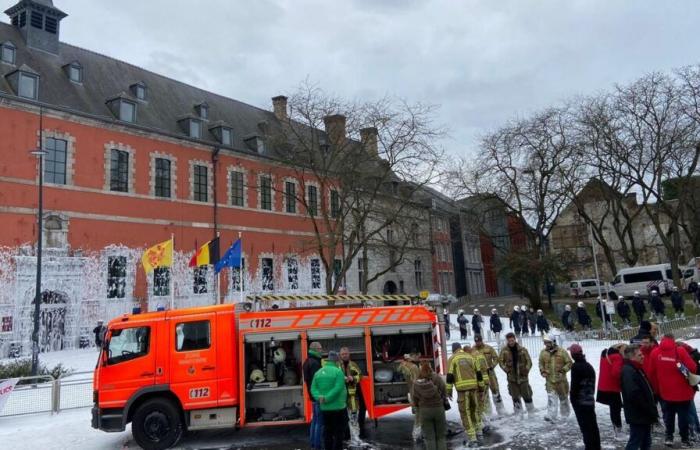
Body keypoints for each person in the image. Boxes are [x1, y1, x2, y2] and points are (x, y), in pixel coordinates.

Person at [647, 333, 697, 447]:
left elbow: (651, 373)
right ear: (673, 340)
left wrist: (657, 389)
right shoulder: (680, 351)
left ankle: (669, 437)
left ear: (662, 340)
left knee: (668, 415)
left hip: (665, 392)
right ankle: (685, 439)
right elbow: (693, 367)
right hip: (683, 392)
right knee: (683, 416)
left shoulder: (655, 352)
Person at [621, 344, 658, 450]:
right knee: (635, 441)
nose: (643, 356)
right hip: (638, 414)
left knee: (646, 441)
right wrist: (648, 408)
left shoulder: (636, 368)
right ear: (632, 357)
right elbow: (634, 394)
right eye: (639, 355)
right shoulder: (629, 371)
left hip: (643, 414)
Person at [311, 350, 348, 450]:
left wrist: (319, 398)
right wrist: (327, 398)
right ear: (336, 361)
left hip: (325, 408)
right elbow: (338, 388)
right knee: (338, 433)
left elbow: (313, 388)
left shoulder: (318, 372)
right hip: (338, 407)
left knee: (327, 432)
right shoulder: (338, 372)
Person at [446, 342, 481, 447]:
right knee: (475, 411)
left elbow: (450, 376)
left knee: (465, 414)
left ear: (453, 349)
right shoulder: (470, 357)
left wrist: (449, 391)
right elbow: (479, 374)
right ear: (460, 348)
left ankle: (472, 439)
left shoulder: (452, 358)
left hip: (463, 392)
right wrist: (482, 389)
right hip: (474, 390)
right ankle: (479, 432)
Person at [568, 343, 601, 450]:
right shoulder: (589, 366)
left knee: (585, 428)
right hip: (590, 400)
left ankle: (590, 447)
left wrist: (572, 399)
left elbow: (575, 386)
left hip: (580, 402)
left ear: (573, 354)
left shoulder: (575, 367)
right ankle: (596, 446)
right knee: (593, 426)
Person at [412, 361, 448, 450]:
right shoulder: (437, 378)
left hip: (424, 411)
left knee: (429, 438)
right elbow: (444, 390)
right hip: (438, 409)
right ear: (430, 368)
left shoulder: (416, 383)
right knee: (441, 437)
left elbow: (414, 398)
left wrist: (417, 405)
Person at [498, 332, 535, 416]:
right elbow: (500, 362)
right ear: (507, 341)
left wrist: (527, 369)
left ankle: (531, 412)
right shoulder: (504, 351)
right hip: (512, 378)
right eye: (509, 341)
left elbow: (529, 361)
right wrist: (506, 370)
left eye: (512, 340)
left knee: (527, 395)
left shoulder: (522, 349)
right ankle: (518, 413)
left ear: (515, 339)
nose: (511, 342)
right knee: (515, 397)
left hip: (523, 377)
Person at [538, 335, 572, 422]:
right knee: (551, 398)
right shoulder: (543, 352)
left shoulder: (562, 352)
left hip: (561, 381)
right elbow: (540, 363)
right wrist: (542, 371)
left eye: (548, 342)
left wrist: (563, 370)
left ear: (553, 342)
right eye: (545, 342)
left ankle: (565, 415)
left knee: (563, 398)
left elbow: (569, 362)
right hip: (549, 380)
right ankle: (551, 415)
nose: (546, 344)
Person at [596, 344, 625, 440]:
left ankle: (616, 428)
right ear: (619, 349)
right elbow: (616, 372)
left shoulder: (605, 354)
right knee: (616, 409)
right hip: (613, 386)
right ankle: (618, 431)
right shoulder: (617, 357)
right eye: (624, 350)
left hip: (603, 385)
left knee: (613, 409)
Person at [474, 334, 504, 415]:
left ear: (481, 340)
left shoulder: (489, 348)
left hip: (490, 373)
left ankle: (500, 410)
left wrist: (492, 366)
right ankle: (488, 412)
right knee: (484, 393)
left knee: (495, 391)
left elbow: (496, 358)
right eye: (476, 341)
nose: (478, 343)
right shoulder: (473, 350)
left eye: (479, 341)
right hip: (480, 375)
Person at [339, 347, 364, 440]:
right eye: (343, 354)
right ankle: (346, 437)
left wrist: (353, 378)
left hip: (352, 397)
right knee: (343, 418)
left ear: (349, 354)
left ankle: (356, 438)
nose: (344, 355)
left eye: (346, 354)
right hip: (340, 397)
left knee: (354, 418)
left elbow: (360, 375)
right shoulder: (337, 365)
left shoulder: (353, 365)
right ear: (340, 355)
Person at [303, 341, 325, 450]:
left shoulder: (307, 361)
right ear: (315, 349)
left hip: (312, 396)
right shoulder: (315, 363)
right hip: (317, 396)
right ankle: (317, 446)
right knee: (319, 422)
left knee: (315, 421)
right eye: (320, 348)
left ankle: (313, 443)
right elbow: (318, 382)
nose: (322, 350)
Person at [465, 344, 490, 439]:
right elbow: (487, 369)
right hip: (486, 381)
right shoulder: (480, 355)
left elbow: (476, 372)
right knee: (482, 404)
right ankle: (486, 423)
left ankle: (484, 425)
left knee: (478, 406)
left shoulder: (472, 357)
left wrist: (479, 386)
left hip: (480, 384)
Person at [398, 353, 422, 441]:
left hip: (411, 390)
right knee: (419, 414)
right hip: (416, 390)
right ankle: (417, 435)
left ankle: (417, 434)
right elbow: (416, 380)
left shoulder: (403, 365)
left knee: (417, 412)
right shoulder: (414, 367)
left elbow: (398, 370)